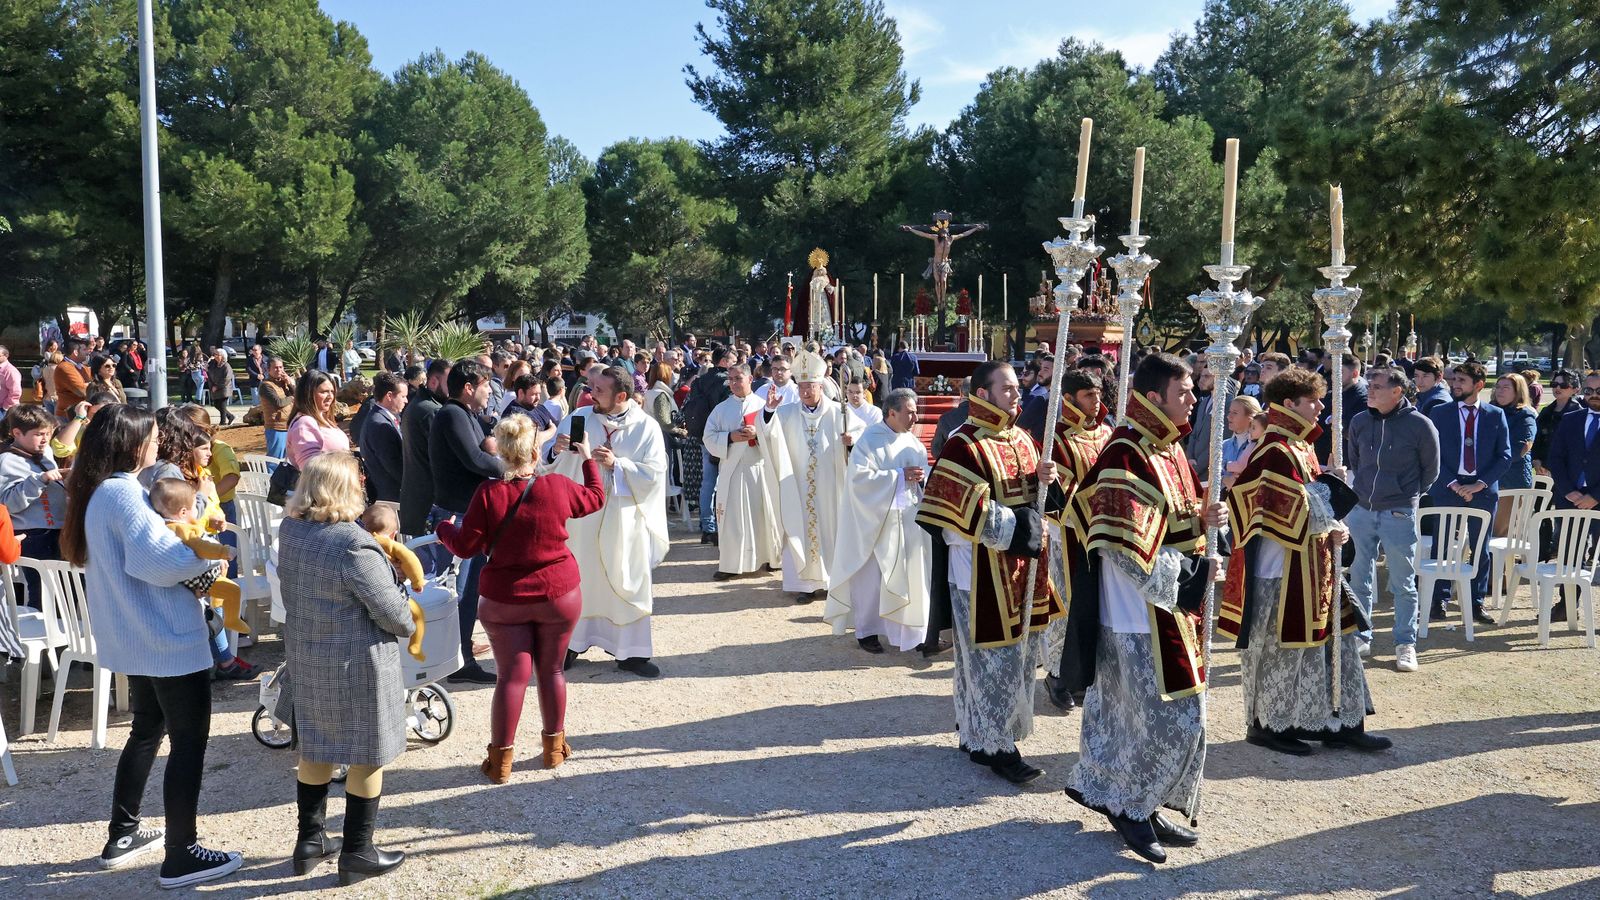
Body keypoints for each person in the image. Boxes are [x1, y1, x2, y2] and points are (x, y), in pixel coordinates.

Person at [61, 405, 244, 888]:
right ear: (132, 443)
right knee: (188, 743)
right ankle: (181, 853)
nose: (156, 445)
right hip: (164, 636)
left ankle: (122, 833)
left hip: (135, 635)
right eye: (152, 437)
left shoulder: (100, 491)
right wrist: (206, 563)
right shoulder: (123, 493)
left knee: (147, 730)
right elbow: (160, 561)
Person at [1059, 353, 1222, 864]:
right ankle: (1129, 808)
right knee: (1156, 716)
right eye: (1184, 392)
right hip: (1135, 613)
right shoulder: (1126, 454)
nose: (1193, 400)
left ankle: (1138, 801)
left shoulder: (1167, 449)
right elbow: (1129, 555)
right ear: (1155, 398)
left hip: (1165, 608)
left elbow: (1172, 525)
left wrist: (1201, 518)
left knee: (1149, 714)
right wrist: (1195, 576)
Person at [1221, 366, 1392, 756]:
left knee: (1338, 642)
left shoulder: (1300, 446)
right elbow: (1269, 506)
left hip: (1314, 566)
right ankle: (1268, 726)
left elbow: (1313, 501)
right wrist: (1326, 512)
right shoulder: (1274, 449)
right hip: (1280, 572)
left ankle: (1339, 721)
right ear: (1287, 404)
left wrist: (1330, 496)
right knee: (1283, 651)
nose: (1319, 407)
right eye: (1312, 400)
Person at [437, 415, 604, 781]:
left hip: (504, 598)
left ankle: (500, 762)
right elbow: (595, 497)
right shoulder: (557, 486)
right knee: (553, 670)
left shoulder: (488, 494)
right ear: (533, 450)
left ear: (501, 451)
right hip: (558, 591)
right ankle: (554, 749)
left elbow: (465, 547)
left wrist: (444, 528)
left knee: (511, 678)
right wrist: (588, 457)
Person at [916, 359, 1060, 784]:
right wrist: (1022, 528)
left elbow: (1040, 502)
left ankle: (976, 732)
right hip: (978, 572)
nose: (1017, 394)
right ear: (982, 394)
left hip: (1019, 567)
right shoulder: (965, 444)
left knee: (1012, 656)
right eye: (1009, 388)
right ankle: (997, 746)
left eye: (1019, 387)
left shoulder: (1024, 439)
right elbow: (955, 510)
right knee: (988, 657)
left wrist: (1045, 479)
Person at [277, 452, 413, 884]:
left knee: (315, 748)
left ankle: (309, 841)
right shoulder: (353, 544)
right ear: (343, 487)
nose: (363, 483)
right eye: (357, 478)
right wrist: (399, 582)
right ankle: (358, 852)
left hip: (308, 656)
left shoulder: (292, 529)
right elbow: (397, 617)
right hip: (357, 664)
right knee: (366, 757)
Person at [544, 366, 670, 677]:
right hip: (584, 520)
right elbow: (551, 465)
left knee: (626, 578)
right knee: (580, 578)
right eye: (591, 387)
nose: (590, 393)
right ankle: (572, 643)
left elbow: (655, 474)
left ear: (622, 396)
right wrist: (555, 450)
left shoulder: (646, 427)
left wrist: (618, 465)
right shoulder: (579, 418)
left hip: (625, 518)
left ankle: (632, 653)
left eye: (599, 389)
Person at [1346, 366, 1438, 673]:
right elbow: (1356, 462)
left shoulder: (1420, 426)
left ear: (1397, 391)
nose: (1370, 389)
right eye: (1369, 384)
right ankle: (1361, 636)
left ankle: (1405, 644)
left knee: (1402, 582)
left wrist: (1405, 496)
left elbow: (1430, 471)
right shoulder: (1359, 421)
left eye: (1377, 386)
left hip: (1398, 512)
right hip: (1361, 510)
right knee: (1359, 577)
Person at [825, 388, 931, 652]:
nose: (915, 418)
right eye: (909, 412)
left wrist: (922, 479)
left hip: (907, 522)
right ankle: (868, 631)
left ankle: (910, 633)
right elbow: (858, 481)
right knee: (872, 580)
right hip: (875, 523)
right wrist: (898, 476)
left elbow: (923, 477)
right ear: (891, 412)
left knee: (910, 578)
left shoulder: (913, 442)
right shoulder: (869, 441)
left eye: (916, 411)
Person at [758, 350, 863, 604]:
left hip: (831, 486)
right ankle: (804, 586)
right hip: (798, 485)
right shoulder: (787, 412)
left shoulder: (840, 412)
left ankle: (830, 583)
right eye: (802, 386)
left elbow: (861, 435)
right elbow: (768, 432)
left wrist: (852, 441)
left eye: (810, 386)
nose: (805, 391)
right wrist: (769, 412)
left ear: (820, 386)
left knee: (832, 528)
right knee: (800, 527)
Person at [1039, 370, 1113, 709]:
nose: (1095, 401)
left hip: (1102, 534)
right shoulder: (1057, 438)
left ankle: (1084, 673)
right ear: (1069, 399)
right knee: (1066, 606)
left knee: (1096, 605)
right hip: (1067, 535)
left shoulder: (1109, 433)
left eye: (1097, 394)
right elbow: (1056, 495)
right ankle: (1056, 675)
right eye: (1087, 395)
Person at [429, 360, 506, 684]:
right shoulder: (451, 414)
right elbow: (475, 459)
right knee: (456, 592)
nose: (491, 392)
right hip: (456, 517)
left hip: (468, 514)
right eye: (487, 385)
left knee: (470, 590)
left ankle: (463, 656)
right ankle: (456, 660)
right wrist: (510, 469)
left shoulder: (467, 416)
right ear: (470, 387)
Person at [1425, 361, 1510, 625]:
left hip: (1482, 492)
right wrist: (1453, 483)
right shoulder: (1440, 412)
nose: (1455, 385)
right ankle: (1439, 599)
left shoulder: (1495, 415)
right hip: (1448, 488)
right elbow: (1432, 453)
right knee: (1442, 545)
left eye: (1461, 381)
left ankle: (1475, 603)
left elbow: (1504, 455)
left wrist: (1479, 484)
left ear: (1479, 385)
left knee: (1480, 549)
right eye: (1454, 380)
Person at [704, 365, 781, 580]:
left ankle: (768, 558)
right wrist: (730, 437)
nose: (734, 383)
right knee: (733, 518)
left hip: (758, 469)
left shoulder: (762, 406)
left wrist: (758, 434)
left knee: (762, 515)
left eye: (738, 378)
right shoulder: (721, 409)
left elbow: (776, 436)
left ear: (749, 378)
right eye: (731, 379)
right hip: (733, 471)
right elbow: (708, 437)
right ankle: (731, 563)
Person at [0, 404, 68, 604]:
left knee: (60, 589)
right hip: (33, 534)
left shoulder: (45, 455)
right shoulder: (7, 461)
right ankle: (40, 625)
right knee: (41, 590)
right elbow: (6, 504)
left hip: (57, 530)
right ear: (17, 433)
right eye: (39, 434)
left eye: (48, 433)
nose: (46, 439)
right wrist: (39, 480)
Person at [400, 359, 450, 537]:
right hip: (428, 503)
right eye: (449, 382)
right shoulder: (431, 411)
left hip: (418, 500)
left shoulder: (421, 404)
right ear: (434, 382)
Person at [1492, 373, 1538, 526]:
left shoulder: (1525, 416)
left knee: (1501, 533)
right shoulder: (1490, 411)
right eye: (1498, 387)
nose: (1500, 391)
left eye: (1506, 387)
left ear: (1518, 391)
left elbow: (1521, 448)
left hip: (1511, 481)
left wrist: (1490, 462)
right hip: (1487, 479)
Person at [362, 372, 409, 505]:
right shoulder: (379, 424)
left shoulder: (385, 417)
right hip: (389, 497)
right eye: (403, 396)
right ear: (389, 396)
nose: (406, 400)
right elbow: (393, 465)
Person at [286, 370, 348, 471]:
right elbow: (310, 469)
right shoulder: (304, 423)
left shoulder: (323, 418)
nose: (330, 397)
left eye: (332, 392)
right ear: (308, 394)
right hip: (323, 485)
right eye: (324, 392)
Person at [1314, 353, 1368, 465]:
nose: (1335, 376)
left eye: (1340, 372)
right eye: (1334, 371)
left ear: (1355, 373)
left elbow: (1351, 429)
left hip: (1346, 463)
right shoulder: (1329, 395)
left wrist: (1332, 422)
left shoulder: (1363, 400)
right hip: (1322, 458)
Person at [1533, 368, 1580, 473]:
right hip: (1543, 470)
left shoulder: (1579, 413)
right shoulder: (1546, 411)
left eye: (1564, 385)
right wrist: (1536, 459)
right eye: (1554, 384)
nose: (1558, 388)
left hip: (1568, 471)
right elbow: (1536, 439)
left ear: (1576, 390)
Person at [54, 336, 92, 413]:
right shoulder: (65, 368)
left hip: (82, 413)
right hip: (68, 416)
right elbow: (82, 391)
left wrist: (89, 384)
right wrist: (93, 385)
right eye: (84, 350)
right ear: (76, 352)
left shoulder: (84, 367)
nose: (88, 352)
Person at [204, 348, 236, 426]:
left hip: (224, 388)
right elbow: (209, 372)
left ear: (222, 356)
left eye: (217, 355)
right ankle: (230, 416)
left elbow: (227, 379)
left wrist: (217, 386)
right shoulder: (213, 364)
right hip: (215, 387)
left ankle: (223, 422)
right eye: (215, 354)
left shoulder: (226, 366)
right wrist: (207, 368)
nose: (215, 356)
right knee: (216, 404)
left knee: (222, 405)